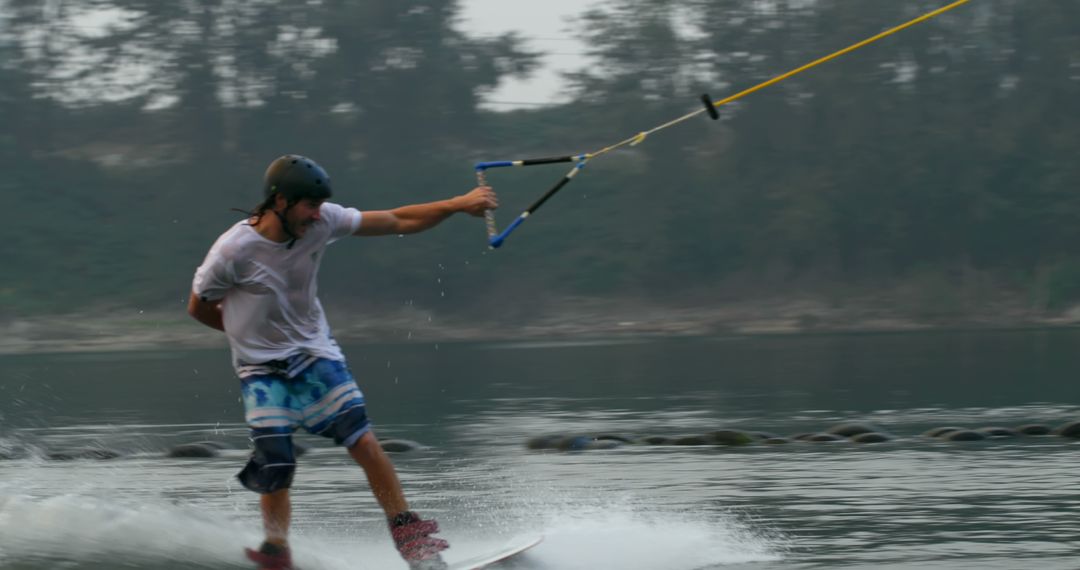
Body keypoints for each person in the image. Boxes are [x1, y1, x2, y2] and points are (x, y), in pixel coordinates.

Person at [187, 154, 497, 570]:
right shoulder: (233, 251)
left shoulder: (322, 223)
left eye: (319, 206)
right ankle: (276, 554)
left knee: (364, 442)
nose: (317, 215)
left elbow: (398, 220)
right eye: (309, 206)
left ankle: (414, 545)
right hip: (260, 369)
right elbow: (199, 307)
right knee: (276, 462)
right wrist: (245, 334)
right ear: (280, 201)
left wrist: (458, 204)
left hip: (315, 354)